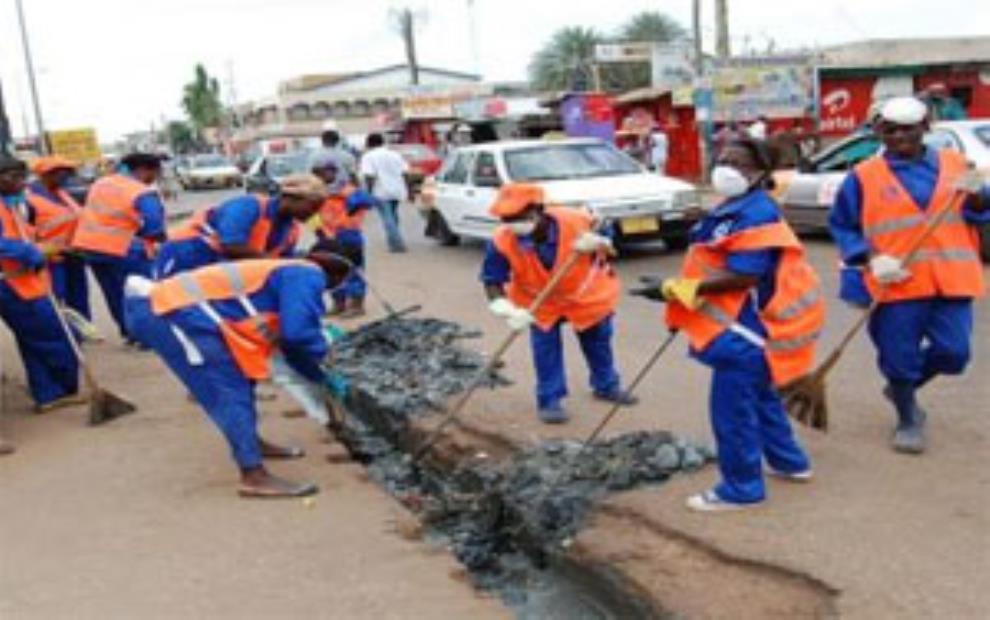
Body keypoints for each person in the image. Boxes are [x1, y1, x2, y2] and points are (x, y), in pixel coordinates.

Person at [632, 138, 824, 512]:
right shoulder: (736, 206)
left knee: (733, 413)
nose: (727, 168)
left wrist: (676, 289)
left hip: (745, 333)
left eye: (738, 163)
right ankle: (790, 461)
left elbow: (743, 276)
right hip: (752, 332)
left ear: (759, 172)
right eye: (722, 160)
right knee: (763, 398)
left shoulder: (757, 214)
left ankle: (741, 488)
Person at [123, 247, 354, 498]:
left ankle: (252, 444)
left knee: (243, 376)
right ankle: (253, 475)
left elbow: (290, 344)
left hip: (175, 308)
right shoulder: (308, 275)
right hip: (168, 313)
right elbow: (298, 333)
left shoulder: (284, 272)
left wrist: (319, 375)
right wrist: (329, 362)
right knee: (230, 387)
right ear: (336, 273)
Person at [829, 96, 988, 454]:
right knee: (898, 356)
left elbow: (980, 211)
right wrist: (872, 258)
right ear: (879, 132)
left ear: (925, 128)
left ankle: (903, 385)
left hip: (951, 277)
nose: (900, 136)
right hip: (896, 283)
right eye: (891, 130)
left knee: (954, 353)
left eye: (908, 129)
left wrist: (977, 194)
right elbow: (842, 225)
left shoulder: (956, 163)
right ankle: (907, 415)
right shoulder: (863, 176)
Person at [480, 183, 636, 424]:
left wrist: (599, 240)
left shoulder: (576, 220)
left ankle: (606, 385)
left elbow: (607, 233)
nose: (512, 224)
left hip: (585, 296)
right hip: (539, 303)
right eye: (506, 219)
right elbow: (492, 280)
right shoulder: (502, 241)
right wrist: (505, 309)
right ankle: (549, 399)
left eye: (518, 217)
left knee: (598, 342)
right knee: (545, 350)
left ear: (538, 210)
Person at [0, 155, 81, 413]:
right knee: (57, 337)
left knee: (32, 341)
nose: (20, 183)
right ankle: (64, 387)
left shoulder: (15, 204)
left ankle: (49, 393)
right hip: (13, 285)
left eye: (21, 177)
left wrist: (39, 248)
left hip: (28, 280)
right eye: (12, 177)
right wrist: (30, 252)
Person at [71, 152, 166, 342]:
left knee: (113, 292)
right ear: (143, 170)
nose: (155, 179)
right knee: (140, 291)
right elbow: (154, 227)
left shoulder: (101, 183)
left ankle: (128, 332)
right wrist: (157, 240)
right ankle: (144, 336)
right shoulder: (141, 192)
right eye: (155, 173)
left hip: (91, 248)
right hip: (123, 249)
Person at [155, 174, 326, 278]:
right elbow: (231, 245)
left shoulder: (291, 231)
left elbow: (281, 263)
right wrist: (273, 262)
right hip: (186, 254)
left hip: (219, 267)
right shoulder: (249, 206)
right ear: (291, 198)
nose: (314, 214)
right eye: (312, 207)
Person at [25, 156, 90, 321]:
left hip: (73, 254)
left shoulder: (60, 193)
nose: (67, 177)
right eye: (63, 173)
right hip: (50, 258)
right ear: (47, 174)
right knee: (56, 297)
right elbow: (25, 233)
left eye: (68, 173)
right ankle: (62, 331)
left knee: (78, 295)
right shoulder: (29, 199)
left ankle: (81, 330)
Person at [311, 155, 375, 317]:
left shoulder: (349, 190)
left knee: (353, 271)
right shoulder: (317, 193)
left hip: (349, 236)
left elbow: (369, 201)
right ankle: (338, 303)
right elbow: (310, 214)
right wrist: (318, 231)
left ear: (335, 172)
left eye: (325, 172)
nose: (321, 176)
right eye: (317, 173)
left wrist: (358, 201)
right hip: (327, 237)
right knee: (332, 272)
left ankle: (357, 305)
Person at [360, 133, 409, 253]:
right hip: (397, 189)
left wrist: (369, 193)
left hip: (381, 191)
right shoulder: (395, 154)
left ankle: (397, 245)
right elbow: (405, 172)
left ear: (369, 143)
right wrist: (408, 189)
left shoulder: (369, 156)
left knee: (387, 217)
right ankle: (394, 240)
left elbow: (369, 176)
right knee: (393, 215)